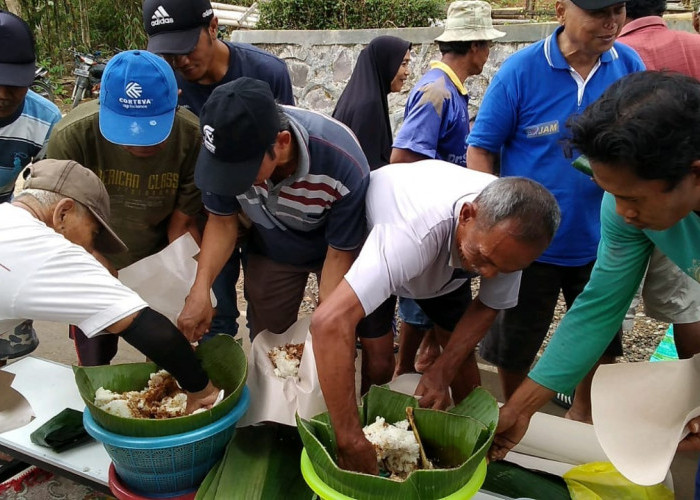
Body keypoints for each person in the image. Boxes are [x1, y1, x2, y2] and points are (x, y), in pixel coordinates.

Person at [490, 70, 700, 462]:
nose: (622, 212)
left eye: (632, 197)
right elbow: (599, 307)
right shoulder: (626, 212)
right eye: (611, 194)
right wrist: (519, 410)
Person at [311, 160, 560, 474]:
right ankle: (365, 434)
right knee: (378, 363)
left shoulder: (507, 239)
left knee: (461, 370)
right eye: (485, 259)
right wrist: (349, 440)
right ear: (467, 215)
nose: (490, 274)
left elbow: (487, 305)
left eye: (504, 269)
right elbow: (328, 323)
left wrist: (442, 370)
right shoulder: (411, 236)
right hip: (377, 241)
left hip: (449, 267)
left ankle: (466, 453)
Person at [467, 0, 644, 423]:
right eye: (599, 11)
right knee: (516, 340)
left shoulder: (629, 65)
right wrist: (492, 224)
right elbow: (481, 148)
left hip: (604, 239)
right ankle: (517, 409)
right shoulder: (521, 71)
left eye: (618, 9)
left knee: (601, 338)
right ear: (562, 10)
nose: (611, 22)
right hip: (527, 247)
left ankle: (581, 412)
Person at [178, 78, 396, 387]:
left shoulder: (342, 159)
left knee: (334, 335)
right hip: (273, 247)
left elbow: (339, 252)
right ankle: (273, 420)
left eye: (243, 172)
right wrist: (200, 290)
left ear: (281, 143)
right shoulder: (223, 154)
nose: (232, 183)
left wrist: (325, 322)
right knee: (269, 346)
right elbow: (222, 222)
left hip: (334, 250)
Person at [0, 159, 219, 412]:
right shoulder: (47, 251)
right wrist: (202, 390)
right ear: (63, 213)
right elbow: (146, 326)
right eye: (93, 233)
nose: (89, 248)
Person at [143, 0, 295, 338]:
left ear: (212, 26)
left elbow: (284, 154)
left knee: (269, 320)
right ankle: (219, 387)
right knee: (212, 311)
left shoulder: (267, 73)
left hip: (265, 212)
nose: (180, 61)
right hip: (205, 211)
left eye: (185, 47)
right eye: (169, 53)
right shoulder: (168, 86)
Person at [46, 50, 202, 366]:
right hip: (89, 259)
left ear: (177, 100)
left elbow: (182, 225)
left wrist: (184, 285)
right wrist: (99, 265)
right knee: (95, 360)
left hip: (158, 261)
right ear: (99, 102)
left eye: (152, 129)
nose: (139, 144)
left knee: (170, 360)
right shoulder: (71, 136)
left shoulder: (191, 136)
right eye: (126, 129)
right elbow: (57, 225)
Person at [390, 0, 506, 377]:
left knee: (424, 306)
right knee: (438, 308)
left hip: (443, 221)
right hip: (432, 222)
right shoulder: (436, 92)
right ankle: (414, 373)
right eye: (486, 45)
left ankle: (411, 368)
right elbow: (403, 161)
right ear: (475, 47)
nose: (488, 54)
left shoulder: (450, 89)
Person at [616, 0, 700, 360]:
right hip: (675, 194)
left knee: (619, 289)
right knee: (686, 300)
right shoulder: (694, 47)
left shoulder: (616, 55)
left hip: (664, 191)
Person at [0, 10, 62, 363]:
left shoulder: (46, 119)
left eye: (15, 82)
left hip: (12, 220)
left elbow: (44, 194)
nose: (4, 93)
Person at [332, 35, 411, 170]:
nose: (407, 72)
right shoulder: (369, 106)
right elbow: (369, 167)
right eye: (403, 64)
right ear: (386, 62)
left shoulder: (360, 96)